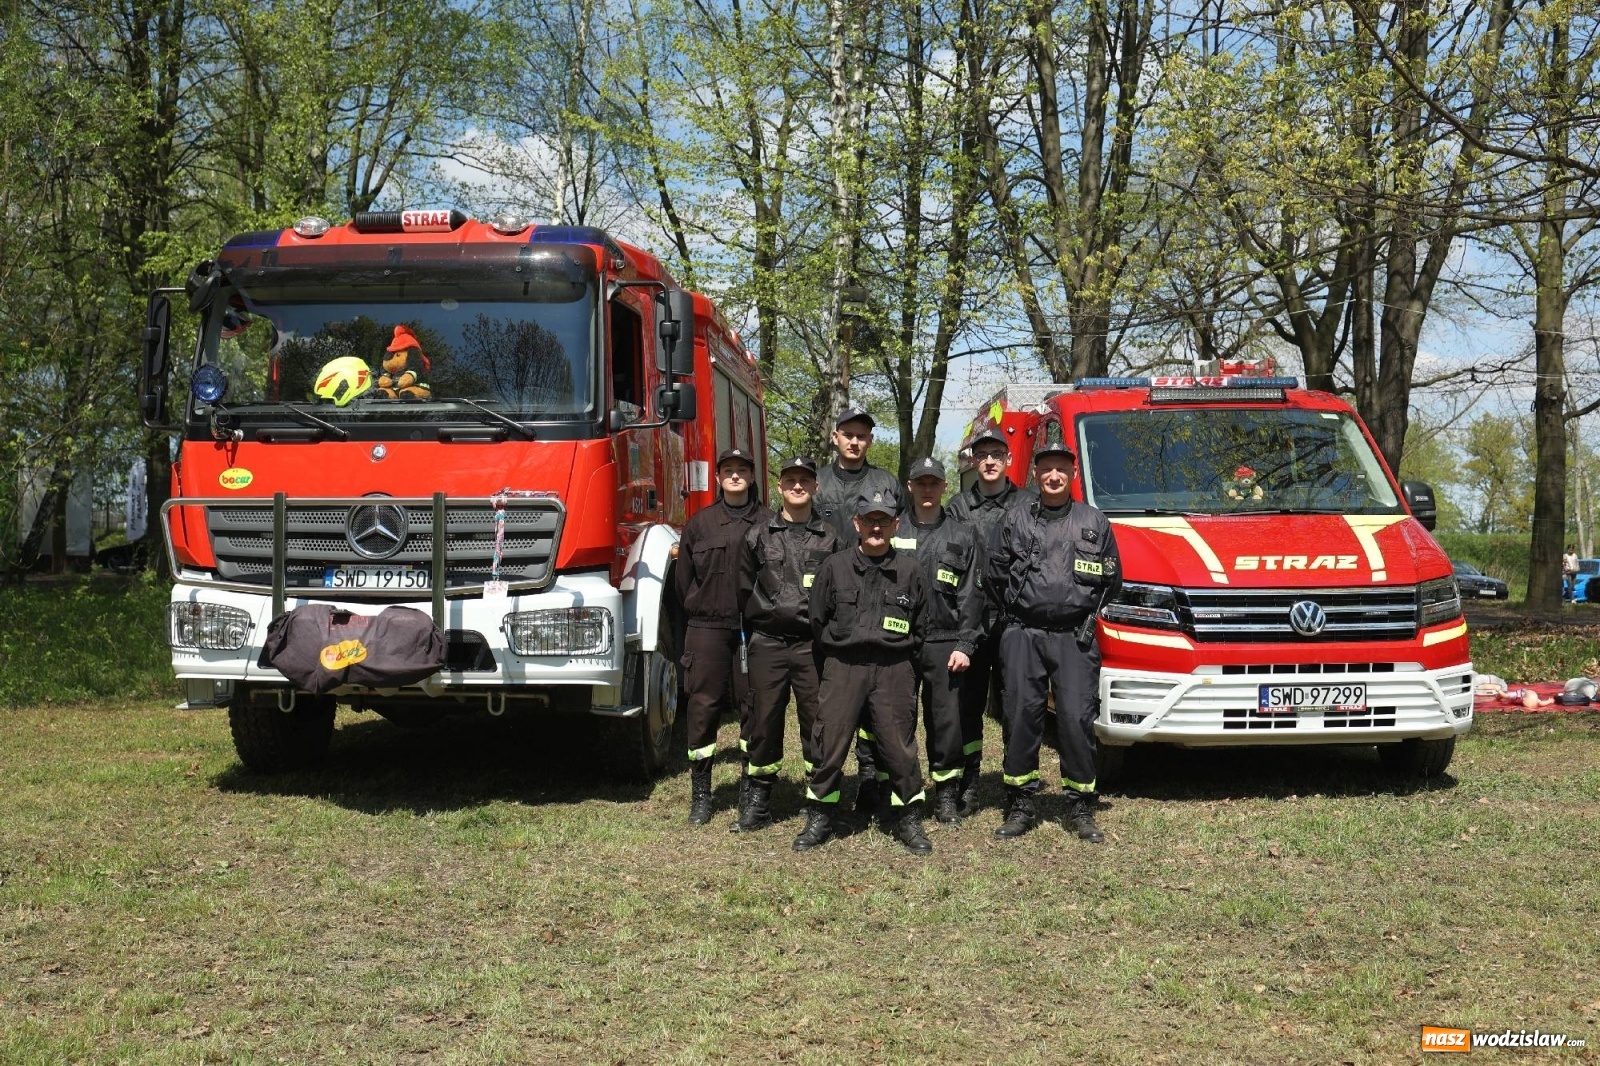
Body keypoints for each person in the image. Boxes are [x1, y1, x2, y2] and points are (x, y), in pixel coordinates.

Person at [985, 438, 1121, 842]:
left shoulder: (1093, 521)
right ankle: (1020, 802)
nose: (1054, 475)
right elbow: (994, 576)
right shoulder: (1015, 519)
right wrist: (1016, 614)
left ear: (1072, 473)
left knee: (1078, 719)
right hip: (1023, 634)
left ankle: (1080, 805)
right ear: (1036, 474)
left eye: (1062, 468)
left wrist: (1084, 613)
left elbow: (1112, 579)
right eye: (1046, 469)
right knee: (1021, 716)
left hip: (1075, 637)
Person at [792, 490, 931, 855]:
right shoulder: (834, 567)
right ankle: (821, 814)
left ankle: (908, 818)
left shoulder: (910, 571)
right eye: (869, 519)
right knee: (829, 744)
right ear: (856, 523)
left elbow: (922, 626)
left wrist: (900, 665)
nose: (876, 526)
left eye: (883, 520)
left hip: (893, 668)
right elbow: (818, 621)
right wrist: (838, 660)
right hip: (844, 667)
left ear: (894, 526)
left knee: (899, 748)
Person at [732, 457, 841, 832]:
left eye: (804, 481)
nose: (797, 486)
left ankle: (819, 803)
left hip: (813, 647)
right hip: (769, 643)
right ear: (779, 487)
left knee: (818, 723)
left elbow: (839, 592)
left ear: (815, 487)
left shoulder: (831, 537)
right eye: (790, 480)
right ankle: (759, 801)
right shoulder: (758, 535)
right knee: (763, 720)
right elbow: (744, 587)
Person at [674, 448, 771, 825]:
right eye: (727, 470)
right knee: (703, 706)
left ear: (752, 476)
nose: (735, 476)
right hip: (707, 628)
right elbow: (684, 583)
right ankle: (701, 794)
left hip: (754, 629)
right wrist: (703, 608)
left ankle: (750, 788)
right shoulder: (700, 524)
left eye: (742, 470)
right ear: (717, 478)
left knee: (754, 706)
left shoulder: (768, 521)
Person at [812, 405, 900, 812]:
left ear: (870, 441)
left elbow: (902, 535)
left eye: (862, 435)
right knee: (833, 699)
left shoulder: (885, 482)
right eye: (847, 433)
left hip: (879, 598)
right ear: (835, 437)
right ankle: (825, 777)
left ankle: (870, 777)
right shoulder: (817, 482)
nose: (854, 441)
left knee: (876, 698)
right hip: (830, 597)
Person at [893, 457, 984, 825]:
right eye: (920, 483)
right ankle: (900, 792)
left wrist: (965, 643)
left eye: (934, 482)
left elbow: (971, 595)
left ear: (944, 486)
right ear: (910, 486)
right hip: (898, 640)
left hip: (945, 641)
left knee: (945, 722)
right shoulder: (892, 527)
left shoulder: (963, 534)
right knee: (897, 719)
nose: (927, 489)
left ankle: (945, 795)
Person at [945, 428, 1022, 815]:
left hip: (1014, 620)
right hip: (972, 620)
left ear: (1008, 460)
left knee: (1014, 706)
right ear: (973, 462)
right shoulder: (957, 507)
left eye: (996, 454)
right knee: (968, 706)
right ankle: (969, 782)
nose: (989, 460)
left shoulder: (1028, 502)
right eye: (982, 455)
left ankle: (1015, 784)